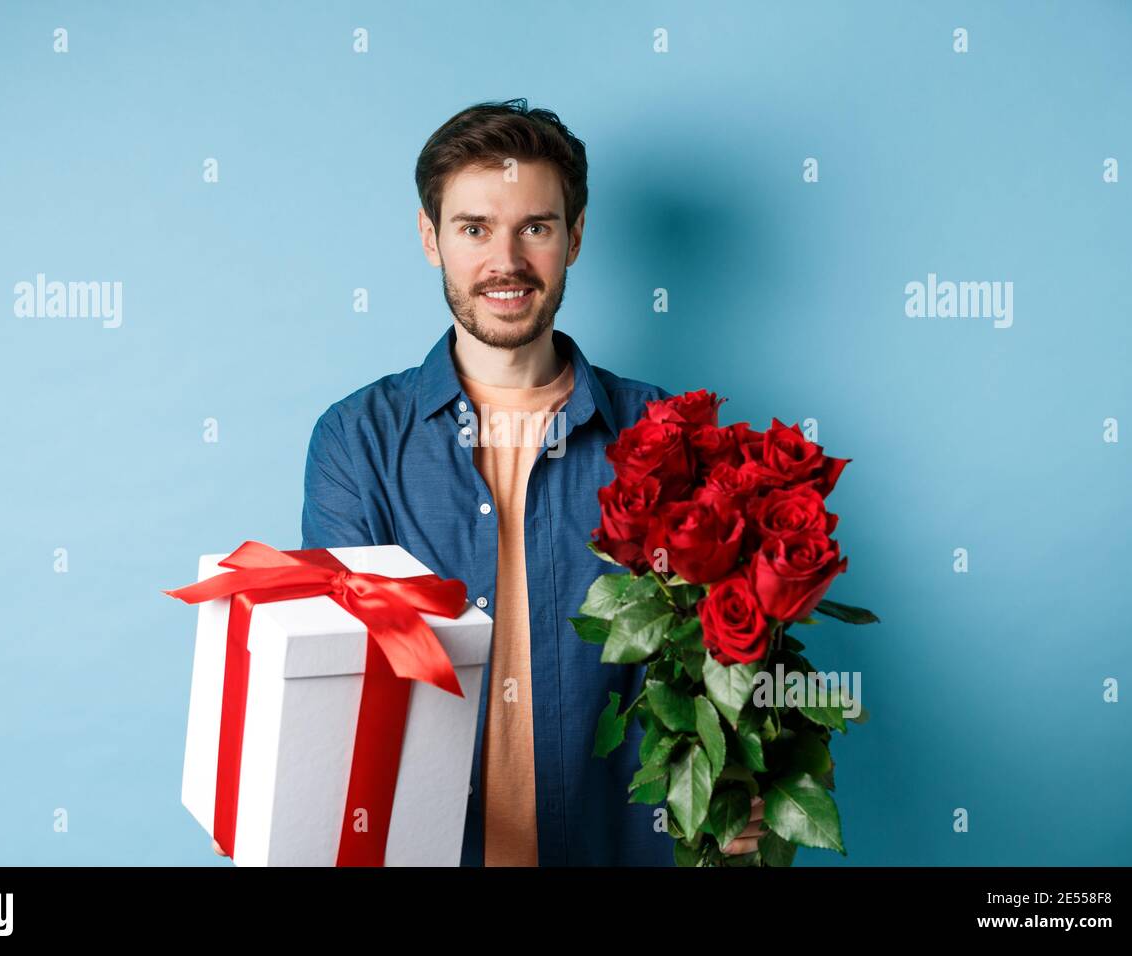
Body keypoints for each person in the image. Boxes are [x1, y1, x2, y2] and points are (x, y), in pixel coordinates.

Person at [216, 98, 766, 865]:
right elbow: (346, 681)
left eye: (534, 228)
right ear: (429, 237)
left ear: (573, 238)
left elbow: (731, 663)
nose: (504, 262)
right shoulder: (358, 441)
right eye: (474, 229)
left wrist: (744, 786)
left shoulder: (667, 434)